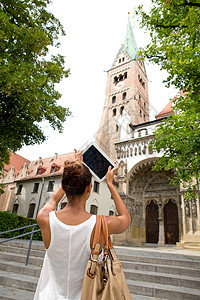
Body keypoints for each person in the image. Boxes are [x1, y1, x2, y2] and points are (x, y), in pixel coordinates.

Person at [34, 151, 131, 300]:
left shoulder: (44, 218)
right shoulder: (101, 223)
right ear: (89, 189)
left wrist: (71, 174)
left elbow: (52, 201)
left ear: (64, 187)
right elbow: (125, 218)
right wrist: (111, 185)